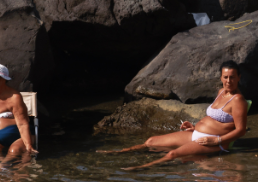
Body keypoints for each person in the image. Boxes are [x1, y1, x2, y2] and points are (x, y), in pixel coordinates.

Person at [103, 61, 249, 170]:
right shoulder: (221, 92)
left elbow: (241, 130)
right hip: (196, 133)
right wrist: (195, 126)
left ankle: (142, 167)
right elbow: (214, 119)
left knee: (172, 154)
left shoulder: (238, 100)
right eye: (225, 77)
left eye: (232, 77)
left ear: (239, 78)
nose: (228, 81)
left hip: (213, 142)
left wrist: (217, 140)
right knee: (151, 141)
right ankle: (119, 152)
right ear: (221, 77)